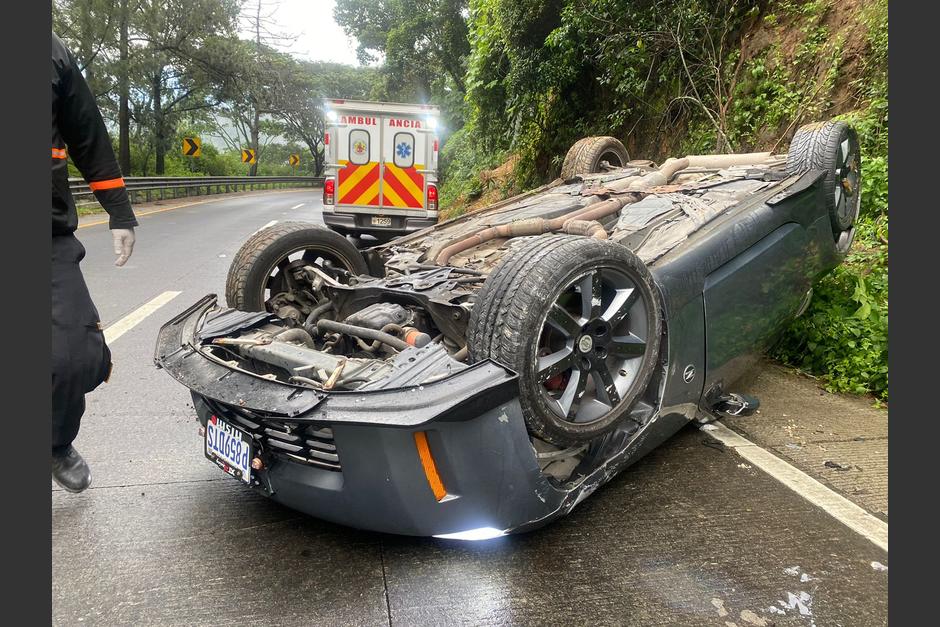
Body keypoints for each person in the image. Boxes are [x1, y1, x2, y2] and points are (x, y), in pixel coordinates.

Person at [52, 33, 138, 492]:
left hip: (46, 233)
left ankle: (54, 443)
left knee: (77, 354)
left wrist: (119, 212)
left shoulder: (50, 50)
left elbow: (87, 134)